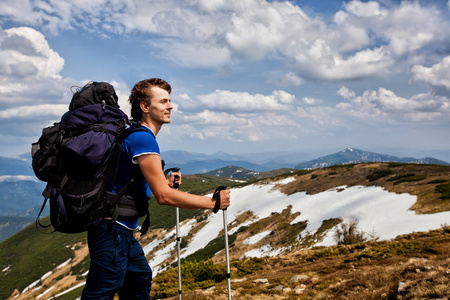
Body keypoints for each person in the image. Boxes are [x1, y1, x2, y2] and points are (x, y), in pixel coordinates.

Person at [81, 78, 231, 299]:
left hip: (120, 232)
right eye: (163, 101)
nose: (170, 106)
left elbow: (132, 185)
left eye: (169, 101)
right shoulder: (143, 139)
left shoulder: (136, 134)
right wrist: (213, 202)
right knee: (100, 295)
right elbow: (163, 197)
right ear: (145, 107)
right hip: (112, 232)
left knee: (139, 280)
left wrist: (165, 182)